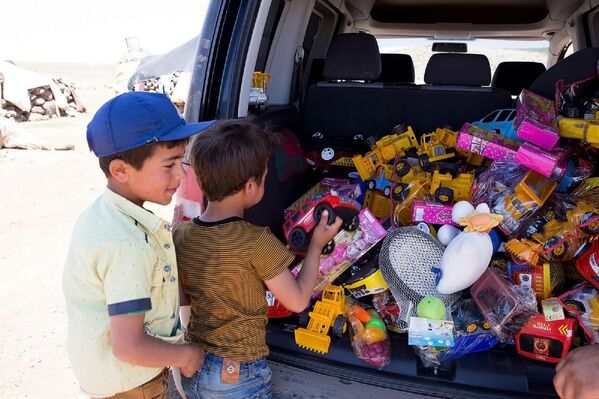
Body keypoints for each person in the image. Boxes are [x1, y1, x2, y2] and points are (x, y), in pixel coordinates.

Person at [174, 120, 342, 398]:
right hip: (238, 376)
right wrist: (316, 245)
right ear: (251, 186)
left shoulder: (182, 235)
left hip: (195, 366)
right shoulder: (256, 241)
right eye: (264, 177)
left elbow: (184, 301)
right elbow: (298, 300)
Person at [63, 92, 214, 398]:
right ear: (121, 170)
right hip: (131, 385)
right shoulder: (126, 244)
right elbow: (129, 346)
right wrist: (186, 355)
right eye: (169, 164)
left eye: (182, 160)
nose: (181, 174)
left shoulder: (105, 215)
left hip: (108, 376)